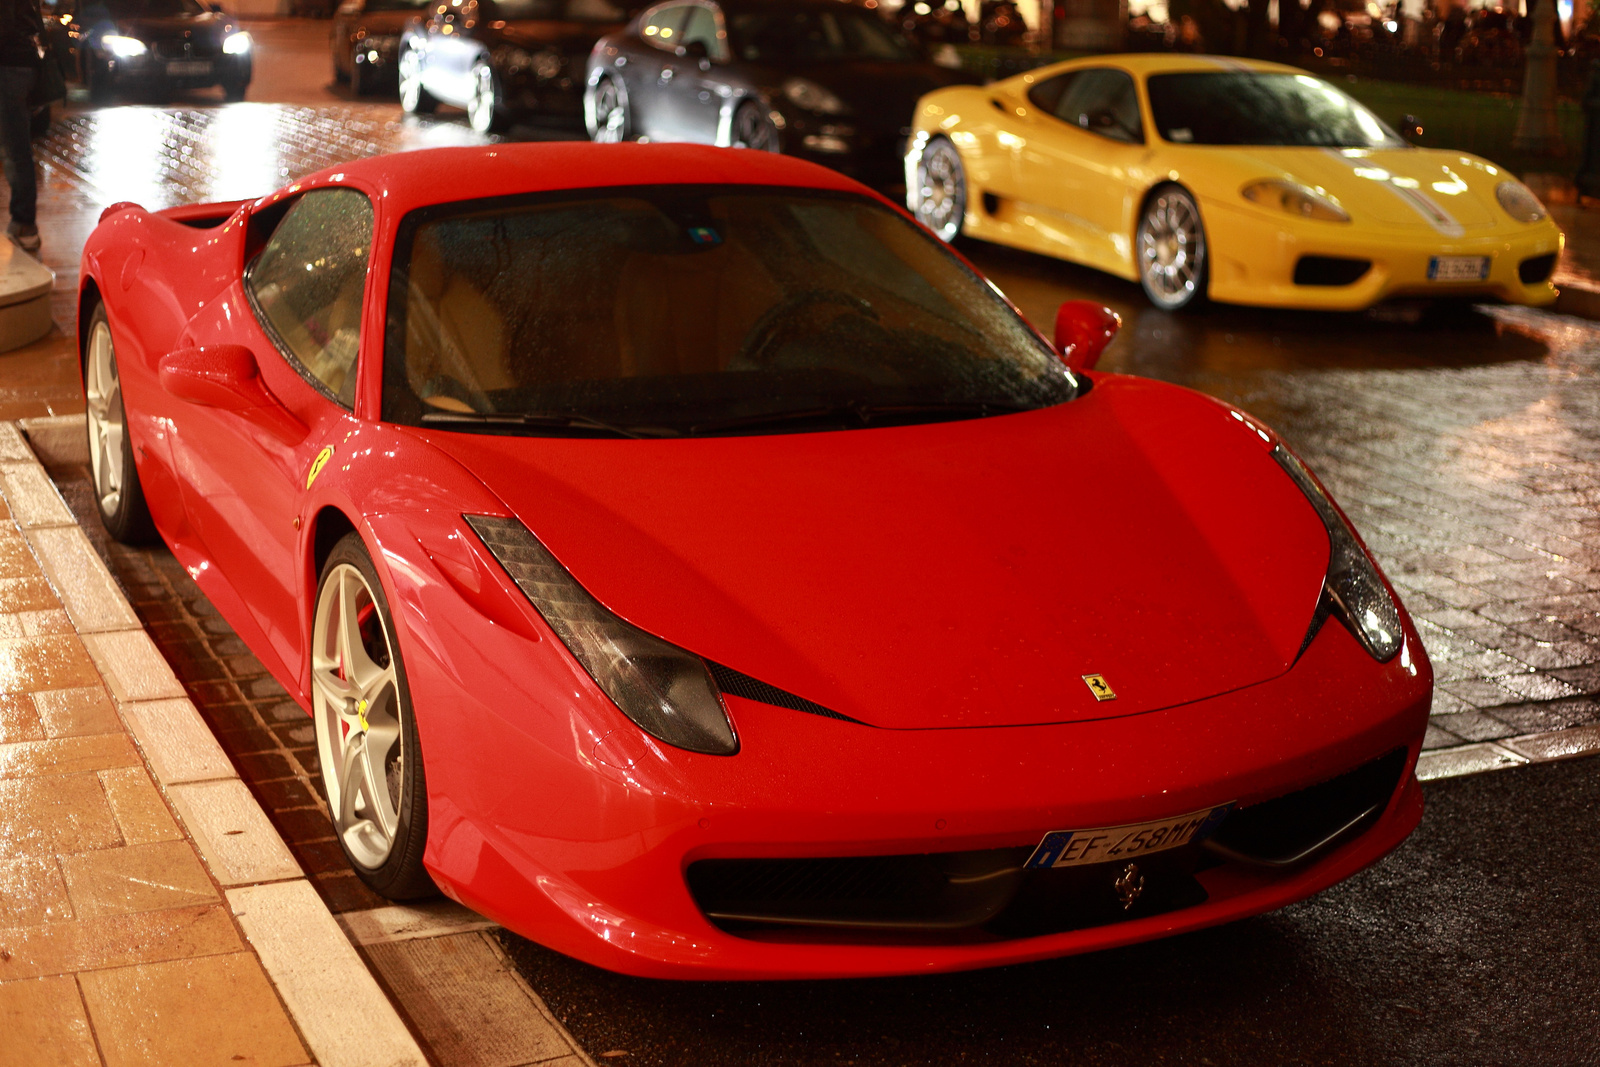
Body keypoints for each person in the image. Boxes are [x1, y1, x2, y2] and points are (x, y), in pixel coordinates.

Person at [0, 0, 42, 253]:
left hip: (9, 66)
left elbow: (4, 25)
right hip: (17, 64)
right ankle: (23, 222)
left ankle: (25, 224)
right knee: (14, 146)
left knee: (15, 148)